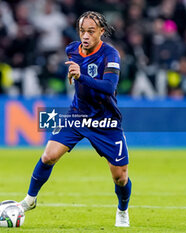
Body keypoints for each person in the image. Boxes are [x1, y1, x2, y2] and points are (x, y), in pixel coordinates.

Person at [19, 11, 132, 227]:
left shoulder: (111, 55)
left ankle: (122, 209)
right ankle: (30, 199)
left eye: (91, 31)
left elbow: (109, 87)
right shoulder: (72, 50)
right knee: (48, 156)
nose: (85, 36)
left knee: (120, 177)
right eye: (82, 31)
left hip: (105, 120)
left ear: (101, 31)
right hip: (77, 115)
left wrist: (81, 76)